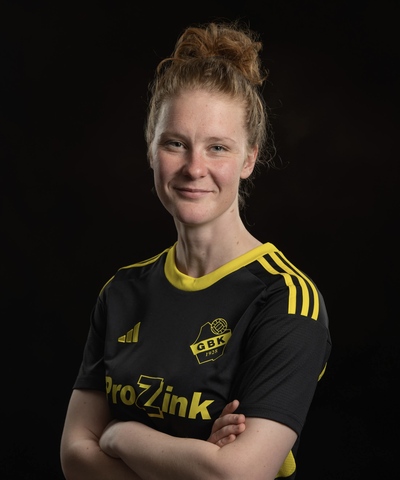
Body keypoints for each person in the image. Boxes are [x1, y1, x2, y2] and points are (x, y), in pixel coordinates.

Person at [60, 20, 332, 480]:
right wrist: (194, 460)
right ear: (152, 150)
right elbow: (74, 458)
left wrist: (122, 436)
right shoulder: (122, 292)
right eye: (175, 144)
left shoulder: (286, 300)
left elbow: (237, 474)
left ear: (249, 159)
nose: (194, 167)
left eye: (218, 147)